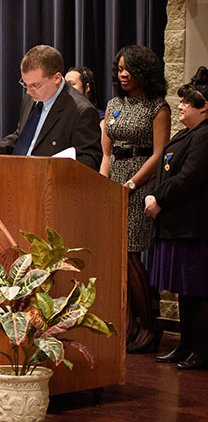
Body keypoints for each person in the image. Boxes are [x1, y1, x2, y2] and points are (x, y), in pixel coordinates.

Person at [101, 45, 170, 353]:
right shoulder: (114, 104)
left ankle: (149, 324)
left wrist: (130, 184)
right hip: (113, 182)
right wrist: (102, 186)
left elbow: (159, 154)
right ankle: (128, 326)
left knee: (129, 254)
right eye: (120, 69)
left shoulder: (158, 107)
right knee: (117, 255)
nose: (123, 74)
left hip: (140, 184)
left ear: (144, 72)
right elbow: (106, 152)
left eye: (129, 69)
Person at [144, 67, 208, 370]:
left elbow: (189, 177)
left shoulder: (205, 136)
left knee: (198, 291)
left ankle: (201, 349)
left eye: (186, 102)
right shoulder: (188, 133)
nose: (179, 106)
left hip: (193, 228)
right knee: (184, 292)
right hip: (176, 225)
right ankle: (184, 345)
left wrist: (159, 198)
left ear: (203, 107)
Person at [0, 44, 102, 170]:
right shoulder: (31, 98)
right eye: (25, 83)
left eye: (35, 85)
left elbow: (91, 160)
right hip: (17, 177)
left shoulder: (81, 111)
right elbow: (21, 137)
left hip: (50, 183)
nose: (28, 91)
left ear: (56, 78)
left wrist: (52, 168)